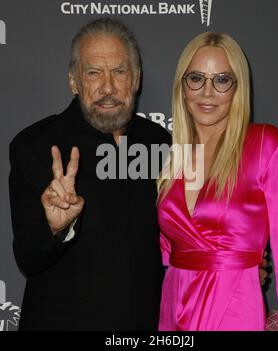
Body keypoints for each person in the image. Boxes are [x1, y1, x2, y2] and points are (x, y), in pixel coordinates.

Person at [9, 18, 171, 330]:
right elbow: (27, 256)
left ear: (136, 79)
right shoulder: (36, 145)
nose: (108, 88)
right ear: (74, 81)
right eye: (94, 72)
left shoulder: (159, 143)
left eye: (119, 72)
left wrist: (236, 263)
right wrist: (54, 229)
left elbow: (178, 237)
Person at [157, 32, 278, 331]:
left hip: (234, 309)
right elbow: (165, 253)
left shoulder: (266, 146)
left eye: (221, 80)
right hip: (173, 308)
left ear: (238, 88)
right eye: (196, 78)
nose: (207, 92)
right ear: (182, 88)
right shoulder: (173, 158)